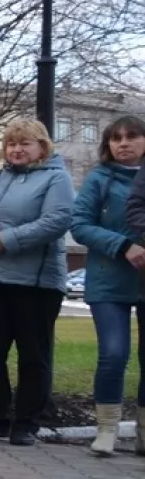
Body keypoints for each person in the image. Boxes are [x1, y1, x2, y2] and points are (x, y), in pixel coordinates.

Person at [0, 118, 74, 447]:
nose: (17, 149)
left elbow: (56, 220)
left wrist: (7, 240)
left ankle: (26, 422)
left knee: (33, 355)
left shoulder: (57, 178)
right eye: (11, 143)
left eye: (25, 143)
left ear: (41, 146)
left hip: (36, 284)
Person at [74, 115, 145, 457]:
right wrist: (123, 246)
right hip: (108, 278)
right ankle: (107, 429)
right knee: (114, 354)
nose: (123, 143)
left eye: (132, 136)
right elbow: (80, 225)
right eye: (116, 138)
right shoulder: (99, 178)